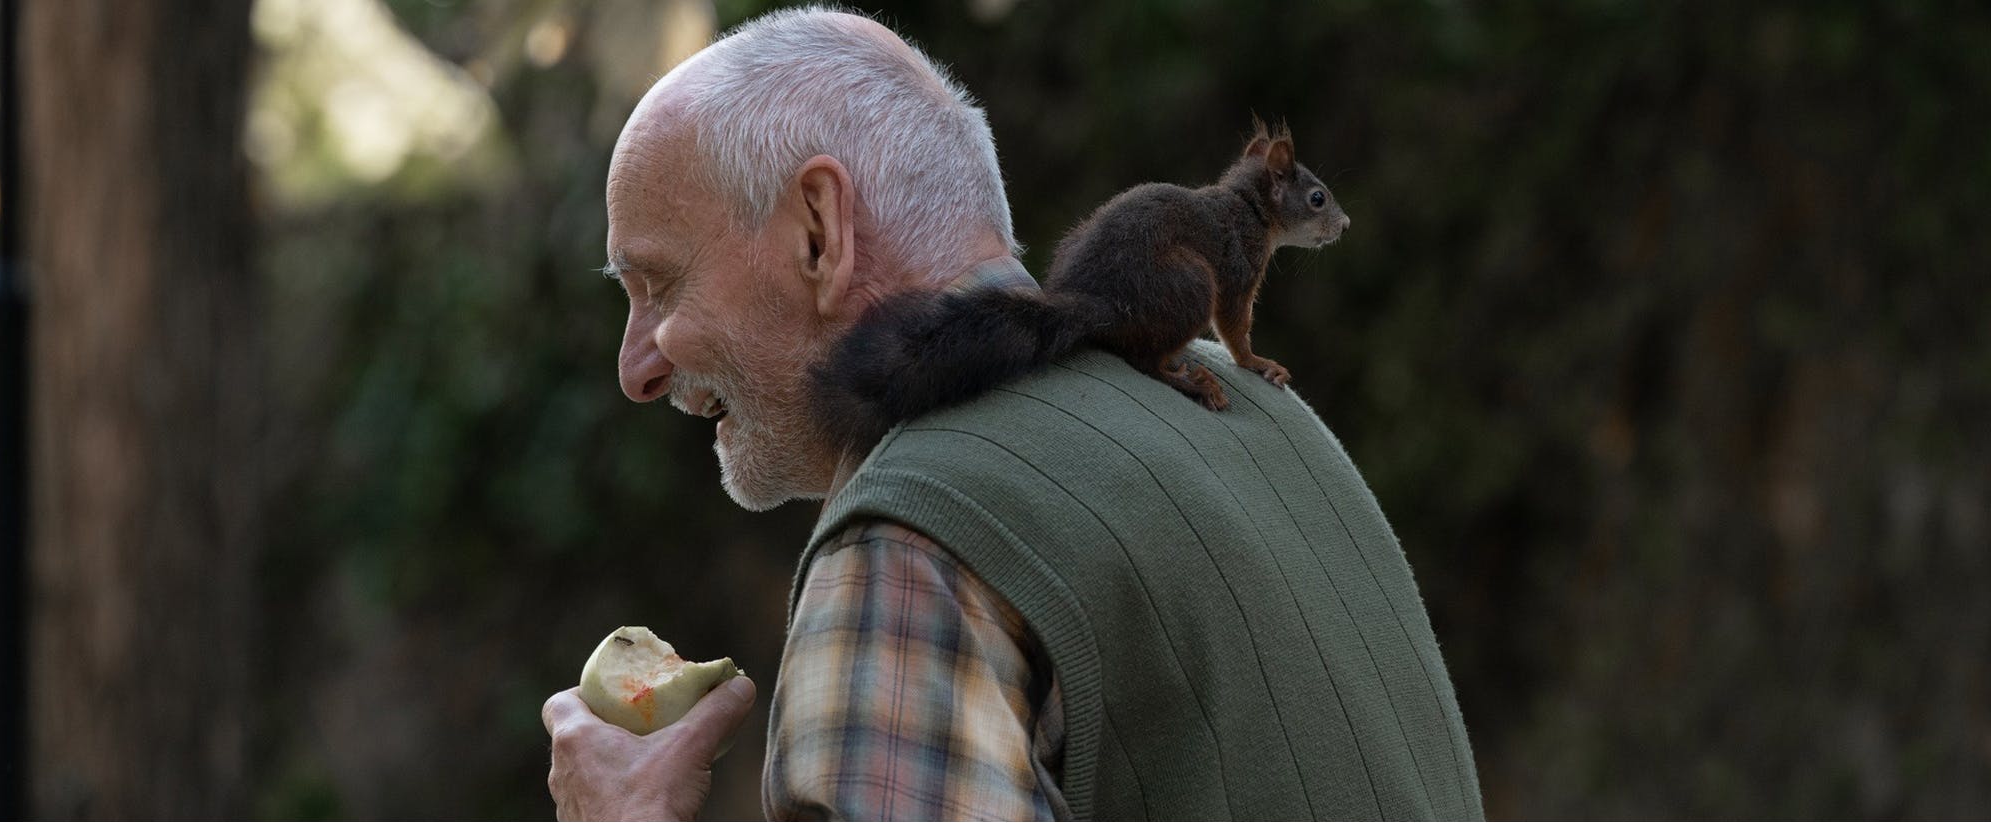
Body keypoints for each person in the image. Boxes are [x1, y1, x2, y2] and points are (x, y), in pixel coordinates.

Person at [541, 7, 1483, 820]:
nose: (637, 369)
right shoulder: (1260, 415)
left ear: (820, 234)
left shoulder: (913, 541)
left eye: (658, 284)